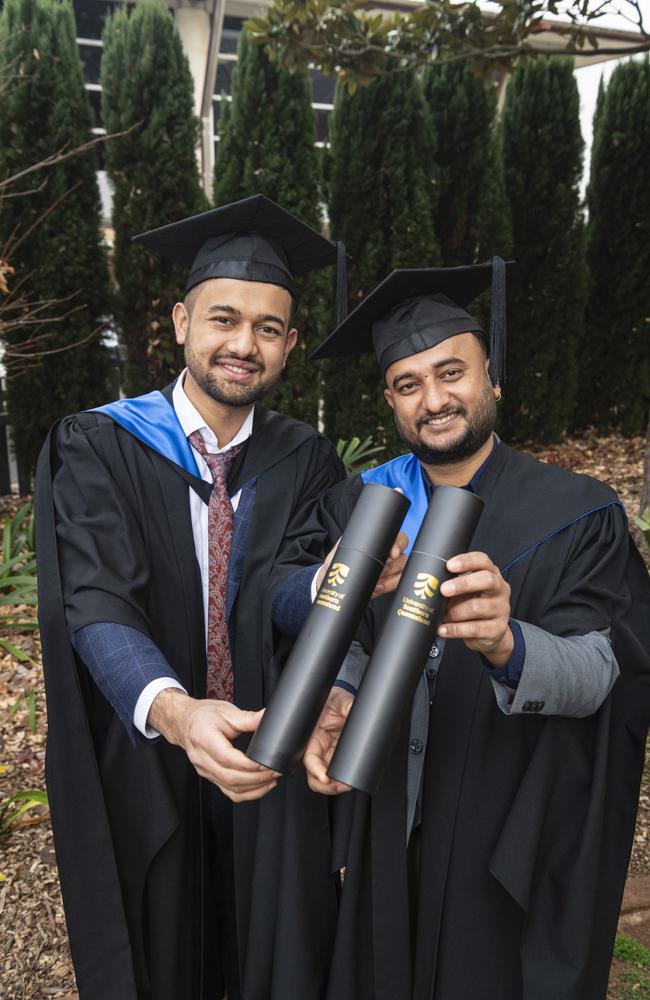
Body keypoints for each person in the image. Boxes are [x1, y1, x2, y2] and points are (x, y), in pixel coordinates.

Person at [275, 259, 650, 999]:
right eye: (408, 384)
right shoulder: (361, 505)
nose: (434, 399)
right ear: (389, 400)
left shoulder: (578, 512)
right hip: (381, 815)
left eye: (453, 373)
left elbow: (606, 668)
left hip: (502, 823)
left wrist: (510, 645)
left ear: (492, 379)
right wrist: (342, 687)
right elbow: (326, 629)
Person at [35, 195, 358, 1000]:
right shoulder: (99, 444)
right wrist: (177, 713)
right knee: (158, 956)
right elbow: (96, 600)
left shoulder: (307, 460)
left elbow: (294, 583)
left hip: (266, 753)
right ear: (181, 322)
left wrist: (328, 592)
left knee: (271, 953)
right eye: (224, 317)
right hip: (148, 753)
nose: (244, 344)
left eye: (270, 327)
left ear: (289, 344)